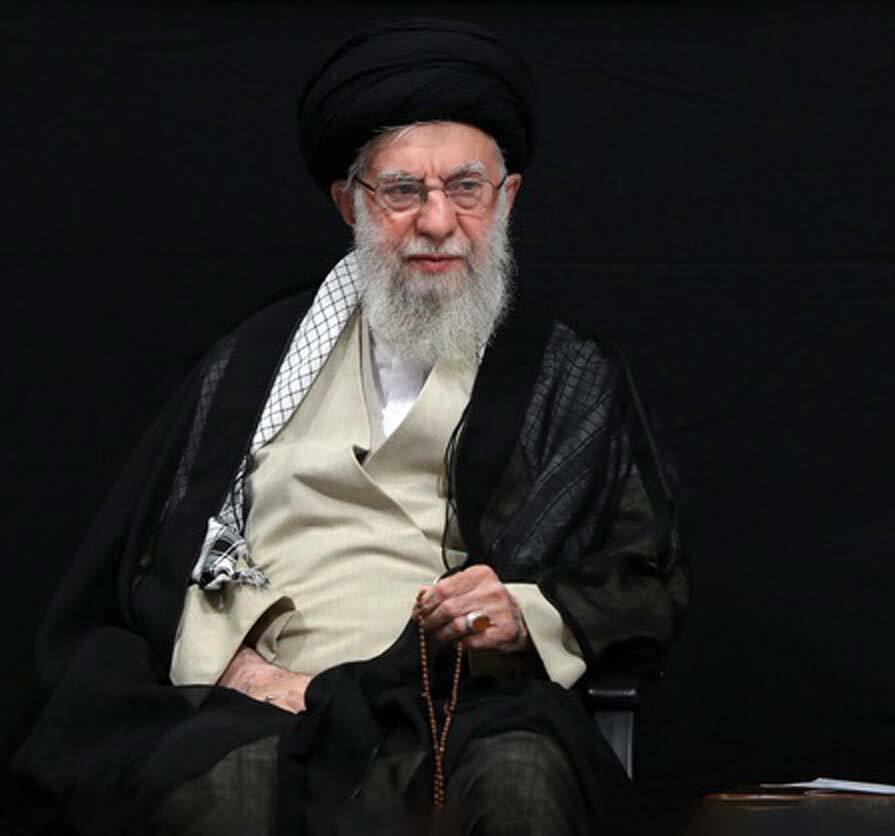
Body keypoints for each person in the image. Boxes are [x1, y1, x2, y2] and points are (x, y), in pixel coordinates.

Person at [11, 18, 687, 836]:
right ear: (351, 203)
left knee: (522, 775)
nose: (437, 221)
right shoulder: (253, 362)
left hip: (461, 705)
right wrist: (237, 667)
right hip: (258, 701)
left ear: (506, 198)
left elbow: (641, 574)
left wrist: (521, 614)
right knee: (219, 785)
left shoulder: (565, 371)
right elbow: (155, 563)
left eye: (465, 188)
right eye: (403, 191)